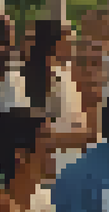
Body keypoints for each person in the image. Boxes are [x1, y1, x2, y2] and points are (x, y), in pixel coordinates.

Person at [25, 19, 95, 175]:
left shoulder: (66, 73)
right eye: (69, 40)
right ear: (55, 44)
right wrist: (79, 136)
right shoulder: (41, 77)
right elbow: (37, 130)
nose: (73, 46)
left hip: (73, 159)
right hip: (54, 162)